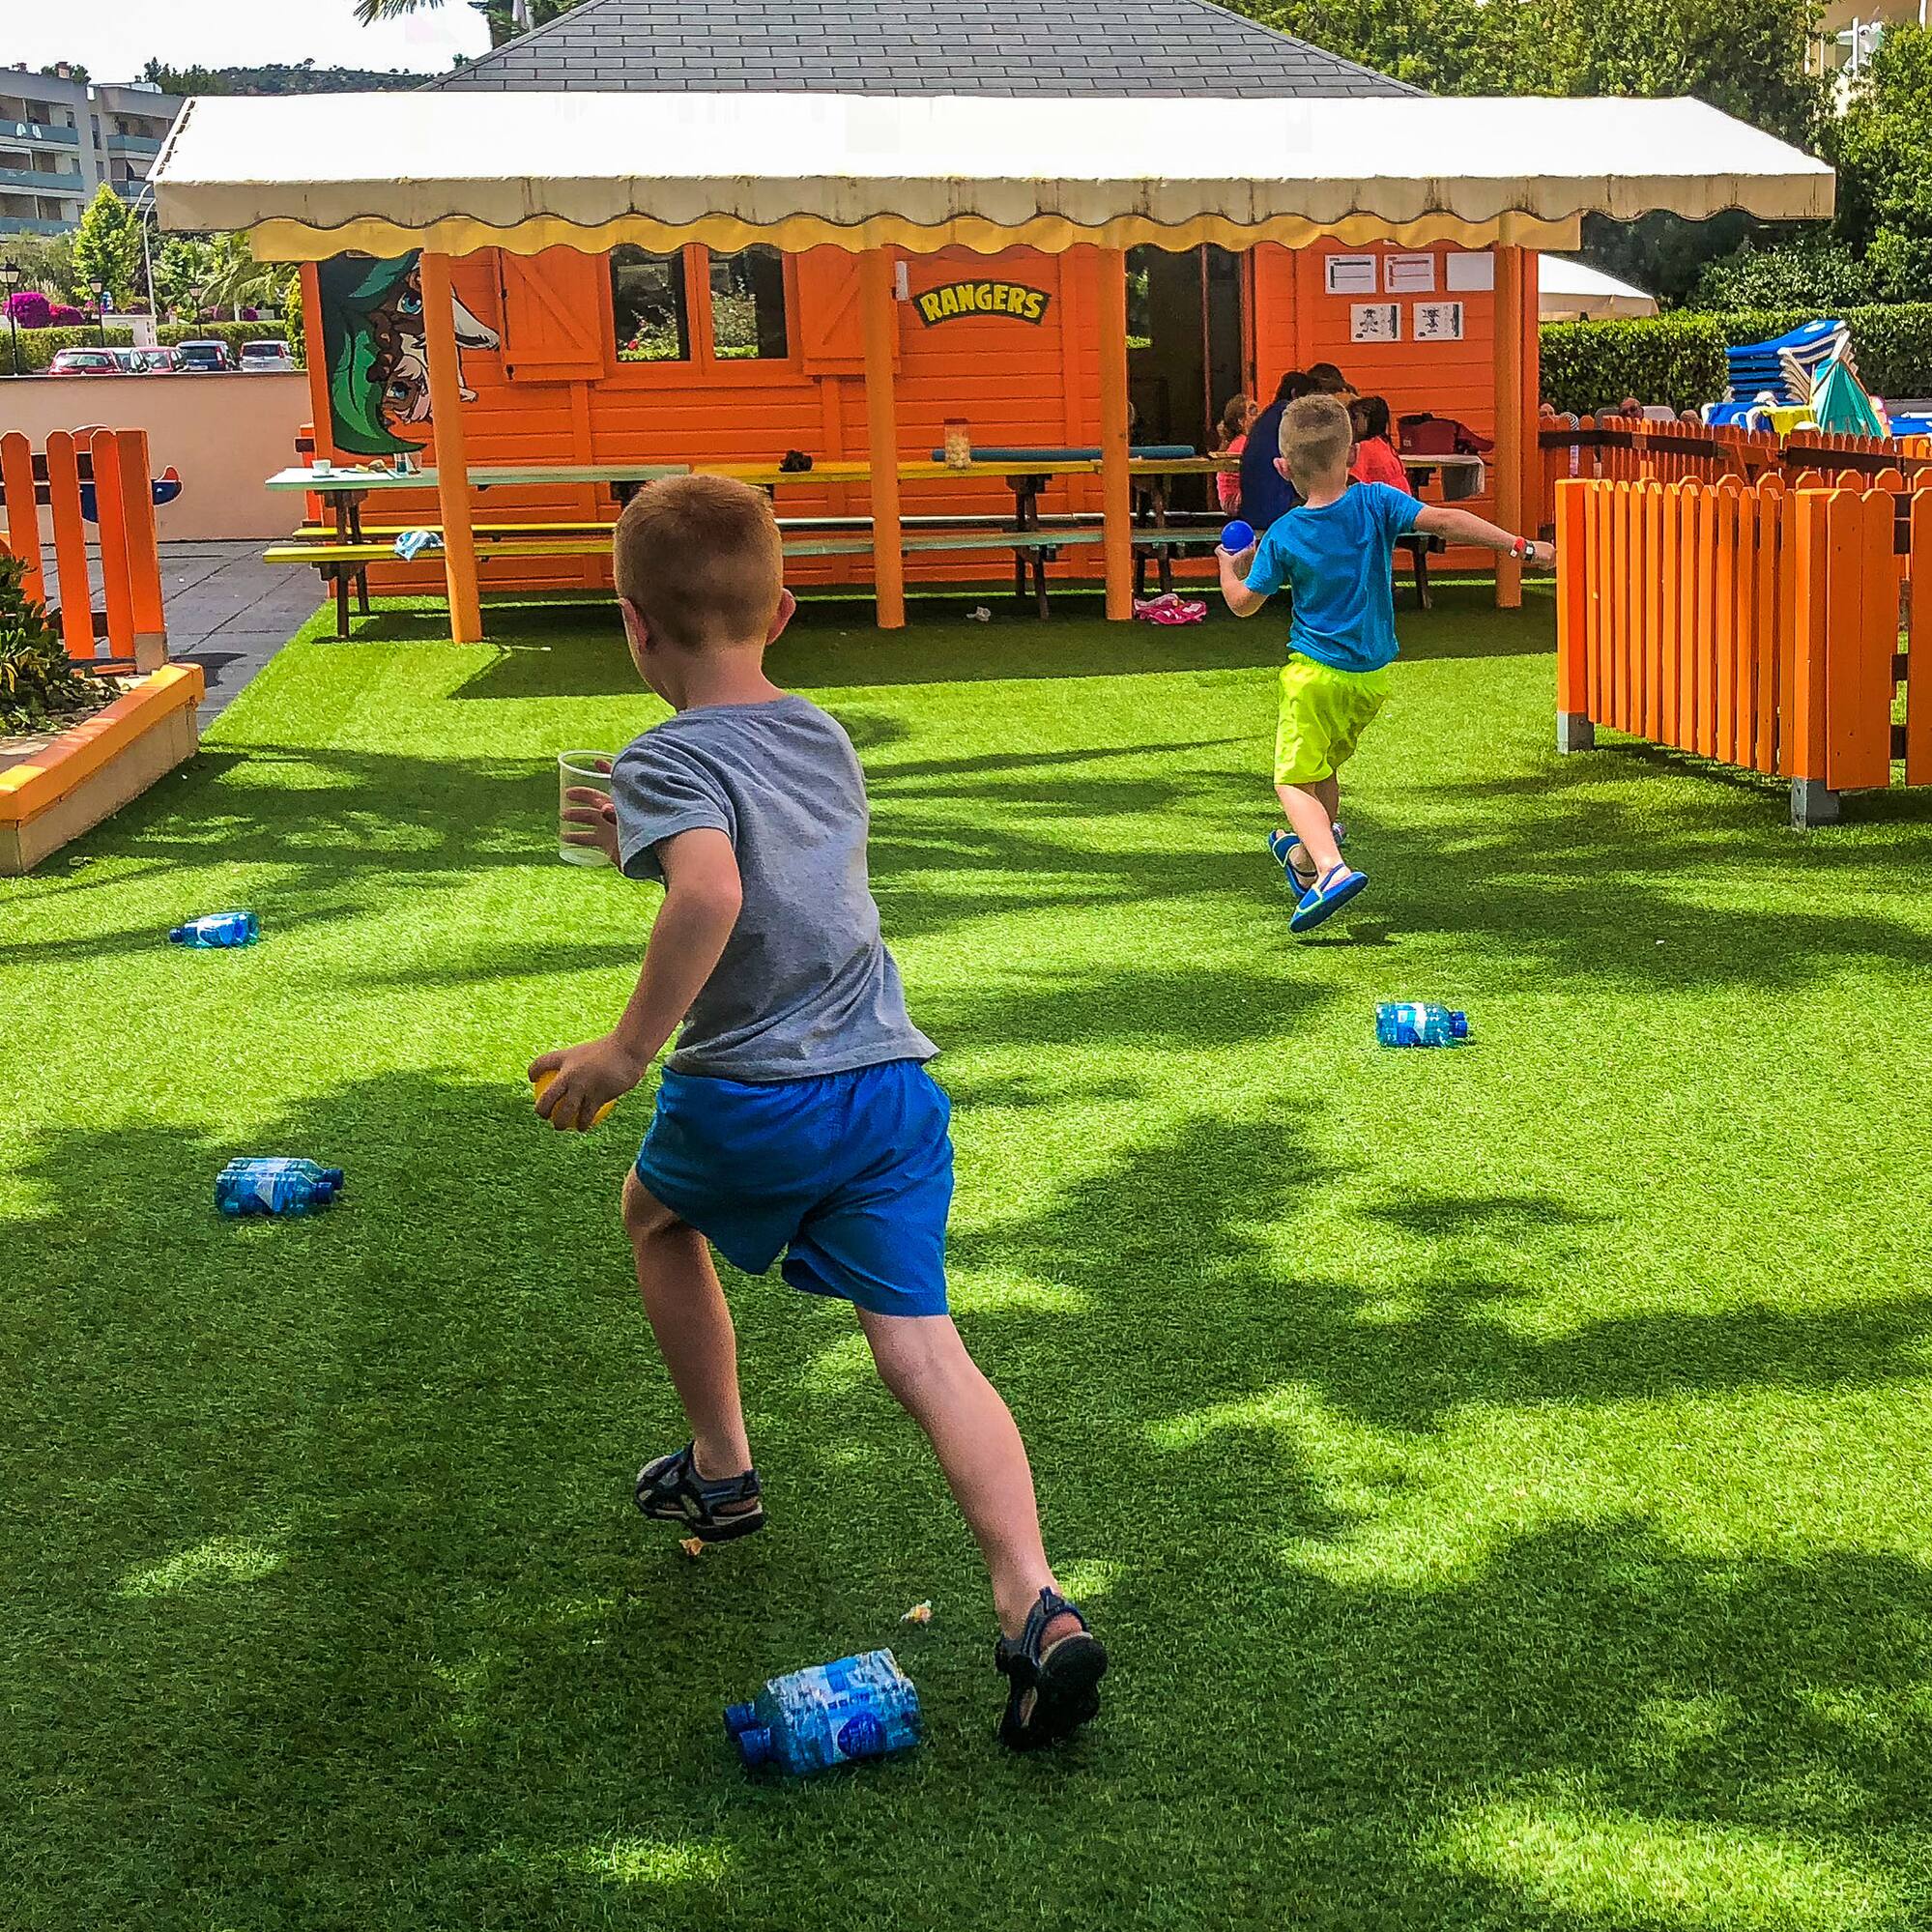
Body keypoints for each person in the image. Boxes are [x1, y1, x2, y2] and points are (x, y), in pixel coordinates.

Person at [530, 476, 1107, 1752]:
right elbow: (766, 842)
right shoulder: (821, 732)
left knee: (652, 1218)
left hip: (758, 1094)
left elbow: (714, 891)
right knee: (921, 1350)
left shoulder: (664, 752)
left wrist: (628, 1050)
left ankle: (723, 1467)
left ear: (631, 624)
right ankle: (1033, 1599)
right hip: (890, 1091)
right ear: (780, 608)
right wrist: (644, 820)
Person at [1216, 395, 1555, 933]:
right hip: (1370, 681)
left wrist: (1228, 568)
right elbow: (1445, 520)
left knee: (1291, 781)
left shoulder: (1282, 534)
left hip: (1314, 678)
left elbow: (1242, 604)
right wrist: (1521, 546)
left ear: (1283, 468)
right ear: (1352, 455)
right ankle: (1305, 856)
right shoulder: (1376, 502)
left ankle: (1329, 868)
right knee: (1322, 768)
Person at [1240, 370, 1319, 534]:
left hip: (1253, 508)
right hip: (1274, 508)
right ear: (1295, 394)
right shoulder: (1290, 416)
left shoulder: (1269, 415)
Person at [1347, 394, 1411, 493]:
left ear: (1367, 419)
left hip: (1382, 503)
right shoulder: (1384, 443)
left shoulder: (1364, 448)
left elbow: (1352, 481)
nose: (1350, 422)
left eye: (1354, 417)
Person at [1213, 392, 1258, 514]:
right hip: (1235, 501)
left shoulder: (1240, 441)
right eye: (1253, 412)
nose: (1258, 417)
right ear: (1241, 421)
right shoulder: (1242, 443)